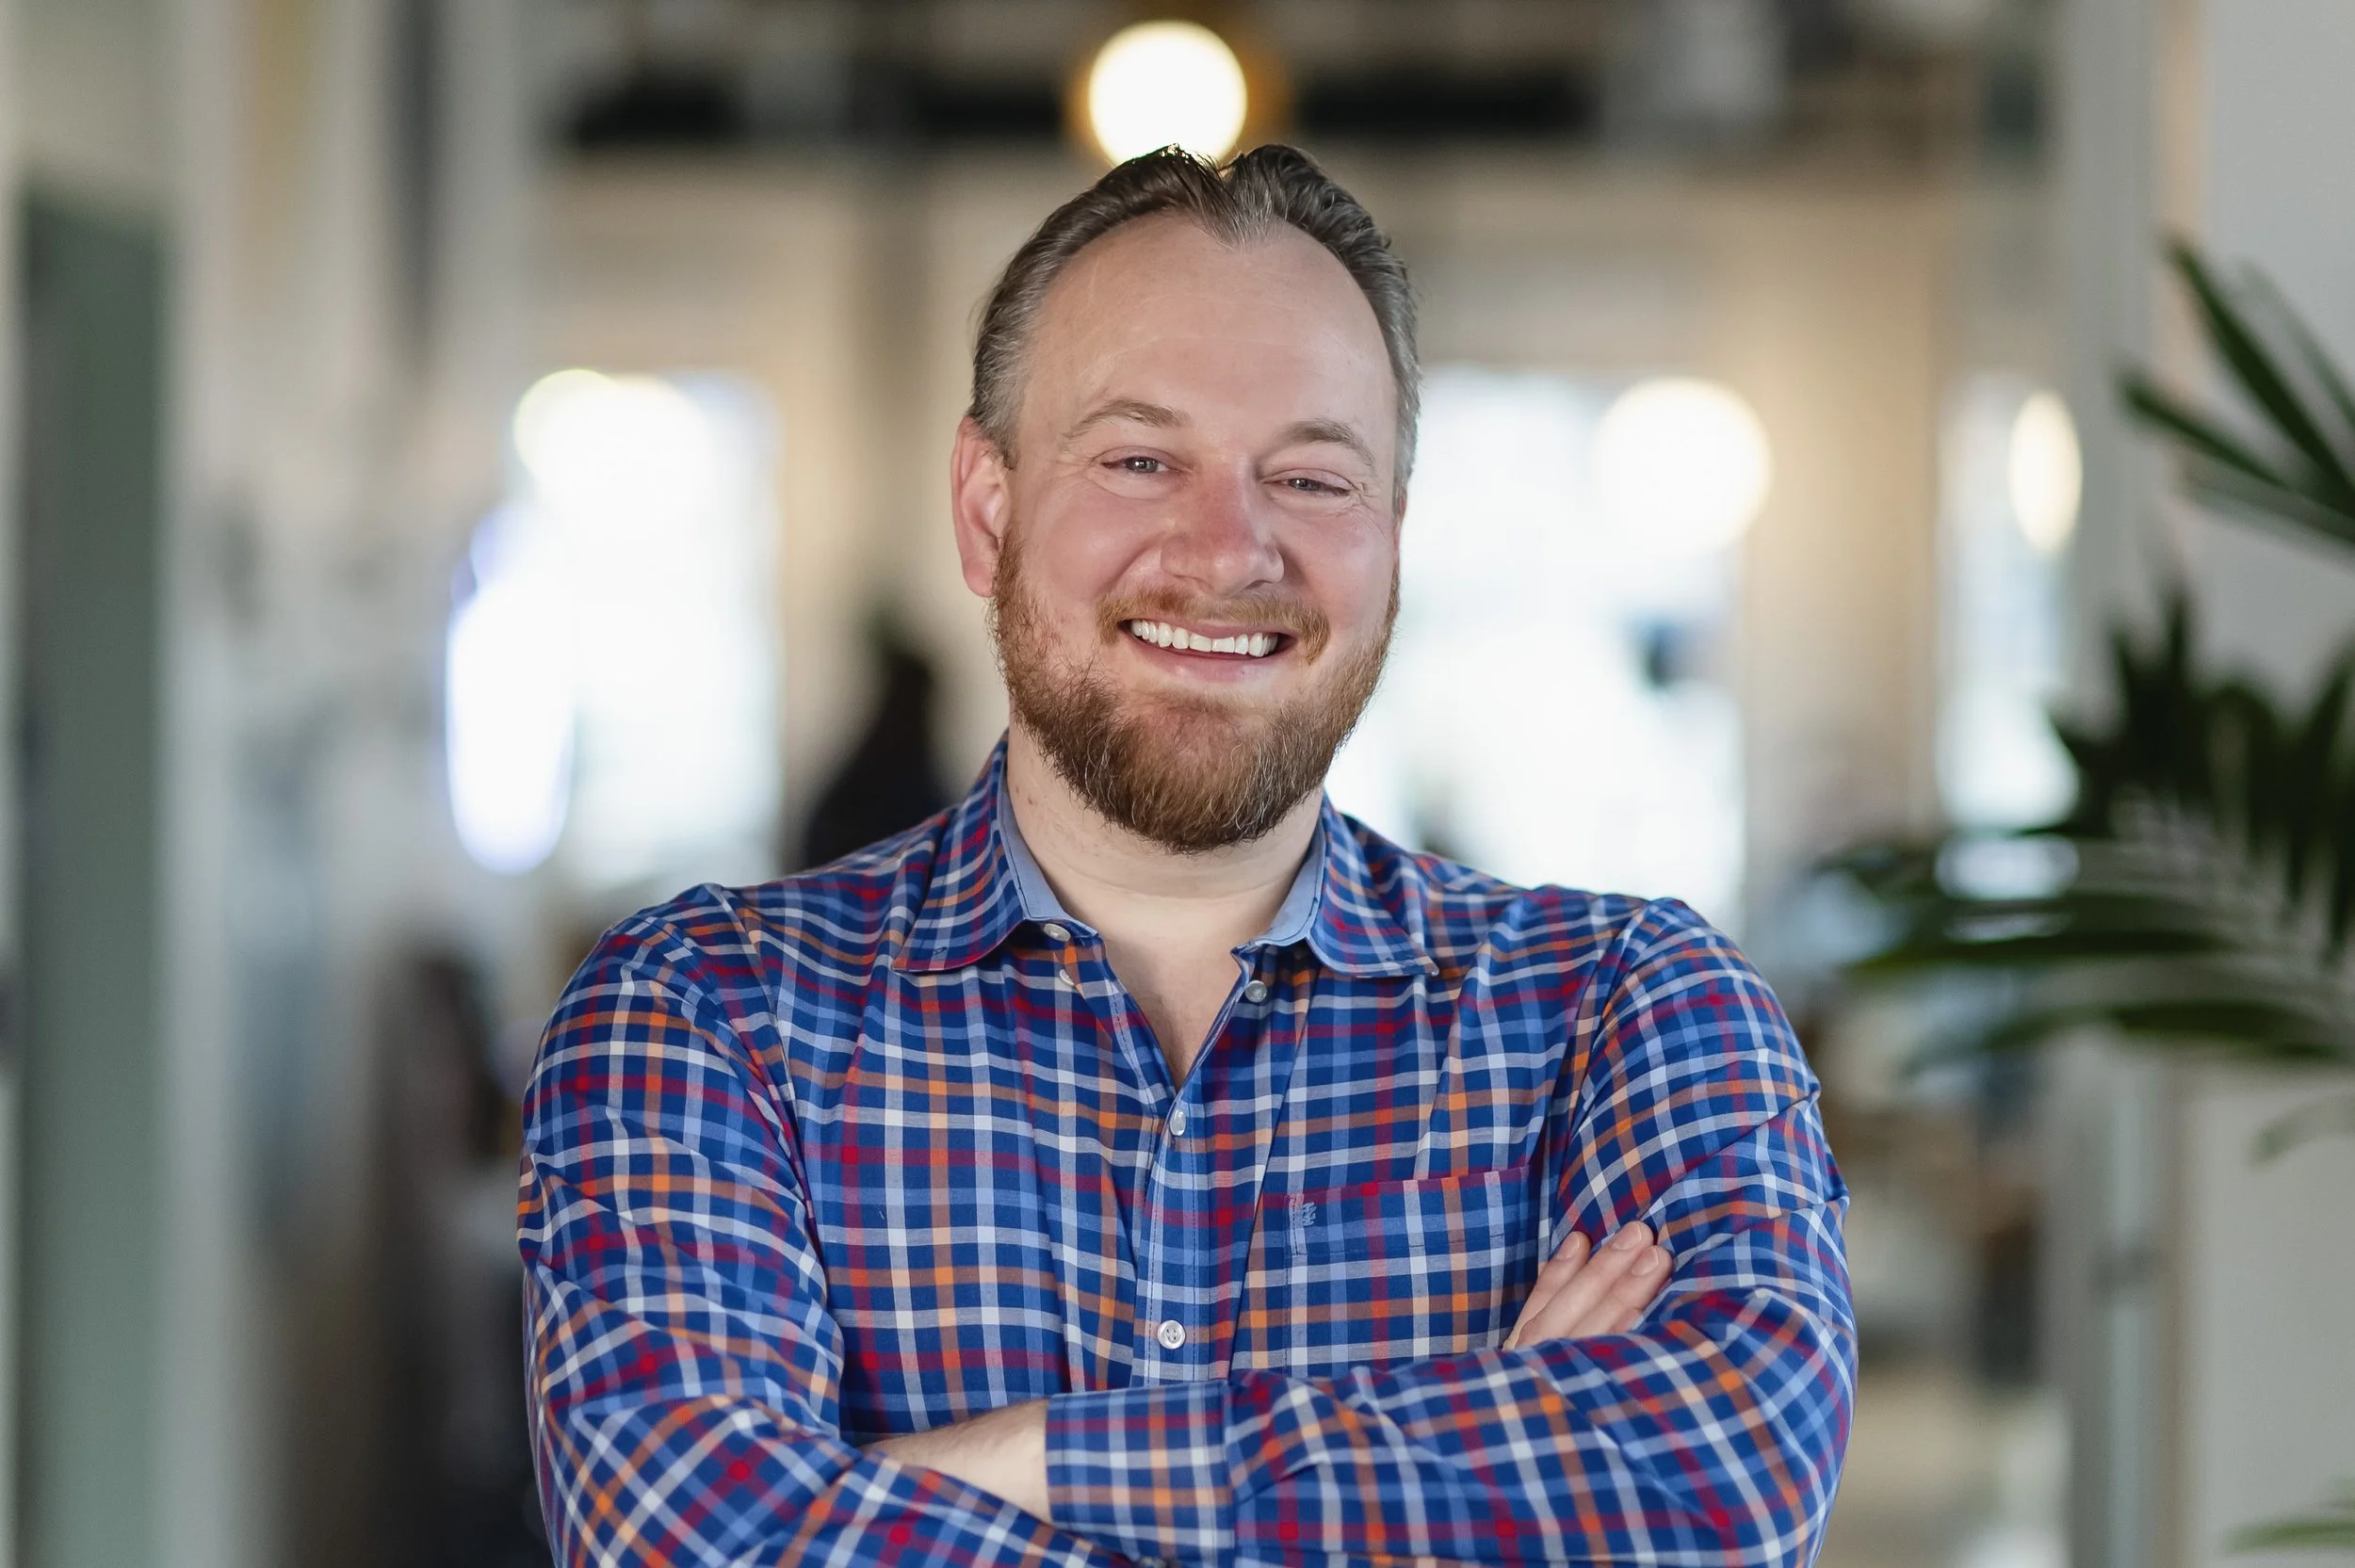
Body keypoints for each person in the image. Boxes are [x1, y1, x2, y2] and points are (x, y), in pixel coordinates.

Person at [519, 145, 1855, 1567]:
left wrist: (995, 1463)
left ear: (1394, 540)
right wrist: (1485, 1456)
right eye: (1140, 458)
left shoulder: (1628, 1006)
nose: (1227, 553)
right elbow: (690, 1542)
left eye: (1313, 475)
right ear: (989, 512)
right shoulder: (706, 1013)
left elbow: (1725, 1478)